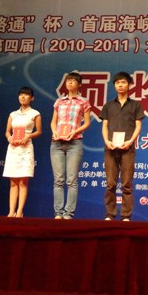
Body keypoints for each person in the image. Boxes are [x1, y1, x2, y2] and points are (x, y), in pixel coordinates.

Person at [100, 72, 145, 221]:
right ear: (114, 85)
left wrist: (130, 141)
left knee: (126, 184)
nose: (120, 85)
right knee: (110, 184)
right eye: (117, 82)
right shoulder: (108, 105)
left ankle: (126, 216)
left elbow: (138, 126)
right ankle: (110, 214)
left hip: (128, 149)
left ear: (129, 85)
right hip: (110, 148)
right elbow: (104, 125)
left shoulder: (135, 105)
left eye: (123, 82)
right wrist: (107, 141)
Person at [50, 71, 91, 219]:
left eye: (73, 80)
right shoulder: (59, 101)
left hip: (74, 142)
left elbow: (86, 123)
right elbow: (53, 121)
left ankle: (68, 213)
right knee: (58, 180)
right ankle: (58, 213)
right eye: (68, 80)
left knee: (71, 180)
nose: (70, 82)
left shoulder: (83, 102)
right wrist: (54, 132)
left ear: (79, 84)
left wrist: (75, 131)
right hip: (57, 143)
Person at [3, 87, 42, 218]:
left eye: (26, 95)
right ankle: (11, 211)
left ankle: (20, 211)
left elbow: (39, 131)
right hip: (13, 148)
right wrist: (9, 138)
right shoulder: (13, 114)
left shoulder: (35, 113)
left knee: (23, 181)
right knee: (13, 182)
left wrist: (28, 136)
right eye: (21, 95)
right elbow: (7, 131)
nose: (23, 97)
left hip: (26, 148)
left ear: (32, 98)